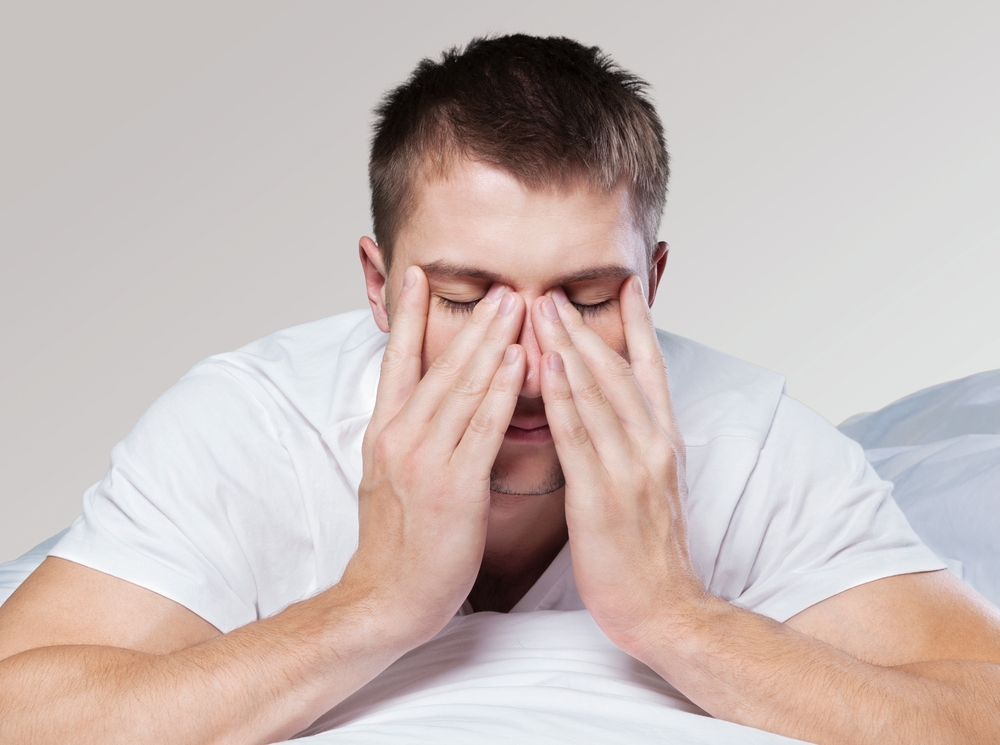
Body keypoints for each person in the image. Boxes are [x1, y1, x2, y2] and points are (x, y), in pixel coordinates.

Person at [1, 34, 999, 745]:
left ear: (649, 287)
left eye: (586, 296)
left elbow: (978, 704)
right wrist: (373, 605)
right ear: (378, 286)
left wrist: (674, 616)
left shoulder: (744, 438)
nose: (525, 358)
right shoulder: (249, 424)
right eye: (469, 296)